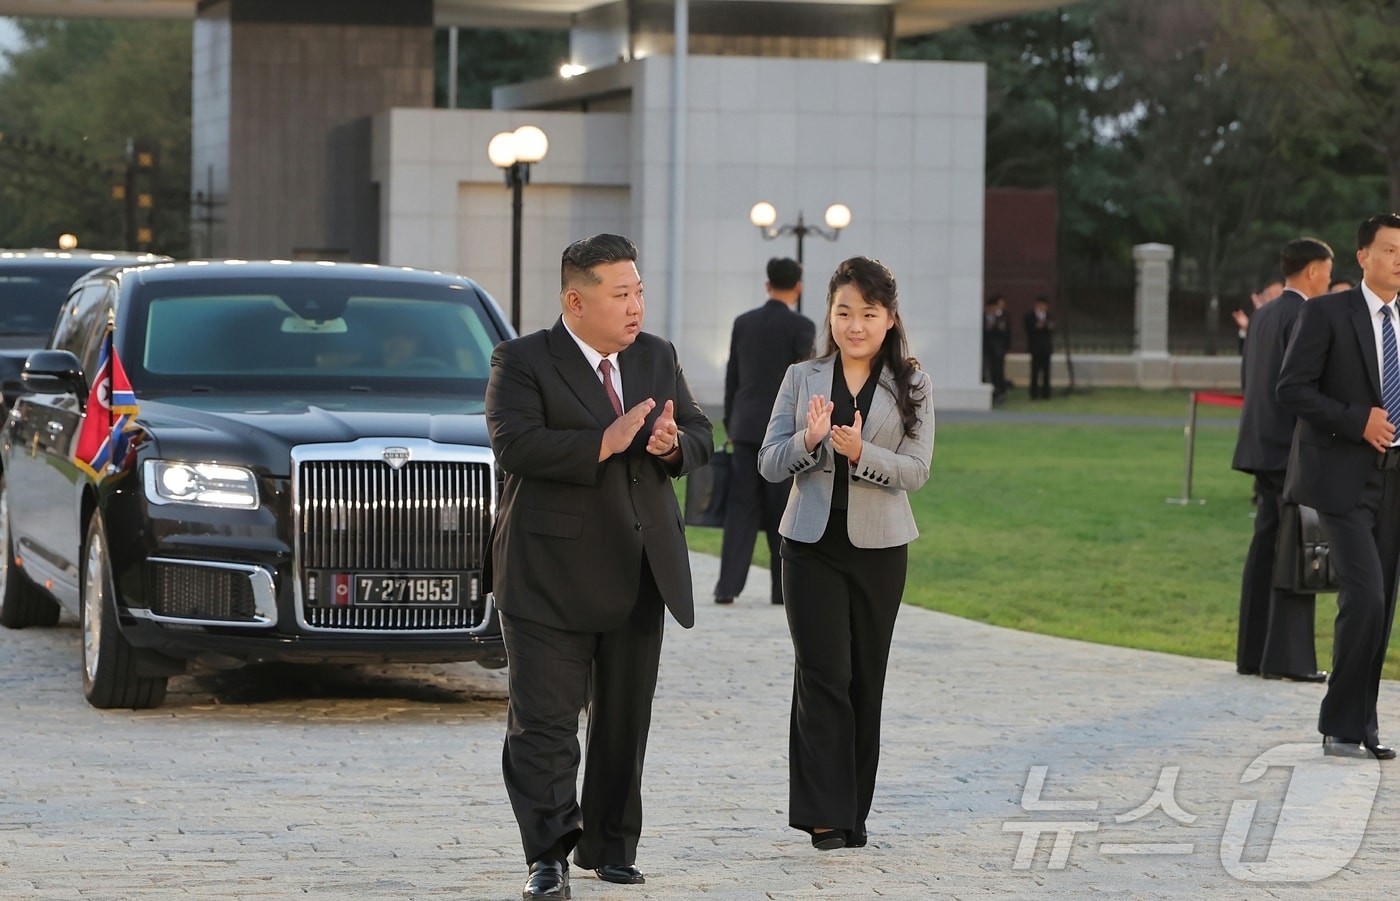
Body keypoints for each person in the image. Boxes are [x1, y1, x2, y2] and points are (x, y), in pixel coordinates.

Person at [484, 233, 714, 898]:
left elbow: (701, 433)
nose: (636, 304)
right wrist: (601, 442)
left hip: (640, 566)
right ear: (575, 300)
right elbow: (515, 443)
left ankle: (611, 844)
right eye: (621, 294)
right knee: (546, 722)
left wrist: (674, 446)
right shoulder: (520, 360)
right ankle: (549, 854)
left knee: (622, 720)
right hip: (546, 574)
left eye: (639, 290)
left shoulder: (657, 357)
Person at [758, 256, 934, 850]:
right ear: (828, 314)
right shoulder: (801, 377)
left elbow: (916, 469)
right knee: (822, 674)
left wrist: (862, 454)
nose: (855, 325)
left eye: (868, 313)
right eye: (843, 312)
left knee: (865, 678)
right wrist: (809, 442)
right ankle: (824, 815)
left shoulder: (912, 382)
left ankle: (853, 811)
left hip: (880, 550)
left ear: (888, 318)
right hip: (808, 545)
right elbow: (768, 460)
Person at [1277, 213, 1400, 761]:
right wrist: (1358, 420)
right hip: (1342, 481)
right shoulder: (1327, 312)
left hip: (1394, 480)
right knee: (1366, 597)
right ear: (1363, 257)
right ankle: (1340, 721)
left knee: (1382, 604)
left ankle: (1361, 725)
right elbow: (1292, 389)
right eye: (1391, 249)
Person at [1231, 237, 1333, 684]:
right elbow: (1306, 388)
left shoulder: (1264, 315)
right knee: (1297, 549)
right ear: (1312, 270)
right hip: (1290, 449)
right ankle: (1288, 661)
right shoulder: (1307, 313)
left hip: (1258, 443)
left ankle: (1252, 654)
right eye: (1328, 272)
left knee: (1265, 545)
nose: (1330, 281)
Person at [714, 257, 816, 606]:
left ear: (767, 284)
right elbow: (806, 382)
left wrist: (731, 422)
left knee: (739, 511)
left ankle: (726, 587)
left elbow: (733, 378)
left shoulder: (744, 323)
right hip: (782, 434)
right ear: (798, 286)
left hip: (743, 429)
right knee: (780, 512)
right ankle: (780, 590)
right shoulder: (802, 326)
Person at [1233, 280, 1284, 351]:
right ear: (1262, 299)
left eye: (1278, 294)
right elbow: (1246, 354)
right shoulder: (1256, 324)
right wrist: (1248, 329)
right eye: (1270, 295)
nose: (1274, 299)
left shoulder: (1294, 319)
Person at [1023, 294, 1054, 400]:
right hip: (1035, 347)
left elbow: (1053, 330)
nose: (1043, 308)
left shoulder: (1049, 316)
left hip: (1046, 347)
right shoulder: (1030, 316)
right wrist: (1036, 327)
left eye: (1045, 306)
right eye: (1042, 305)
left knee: (1046, 371)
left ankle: (1046, 394)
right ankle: (1034, 393)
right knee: (1035, 371)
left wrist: (1049, 327)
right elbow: (1028, 329)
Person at [982, 295, 1011, 402]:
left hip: (998, 349)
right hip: (985, 349)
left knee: (998, 371)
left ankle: (1000, 392)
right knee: (985, 370)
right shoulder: (983, 316)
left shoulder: (1002, 317)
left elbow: (1007, 333)